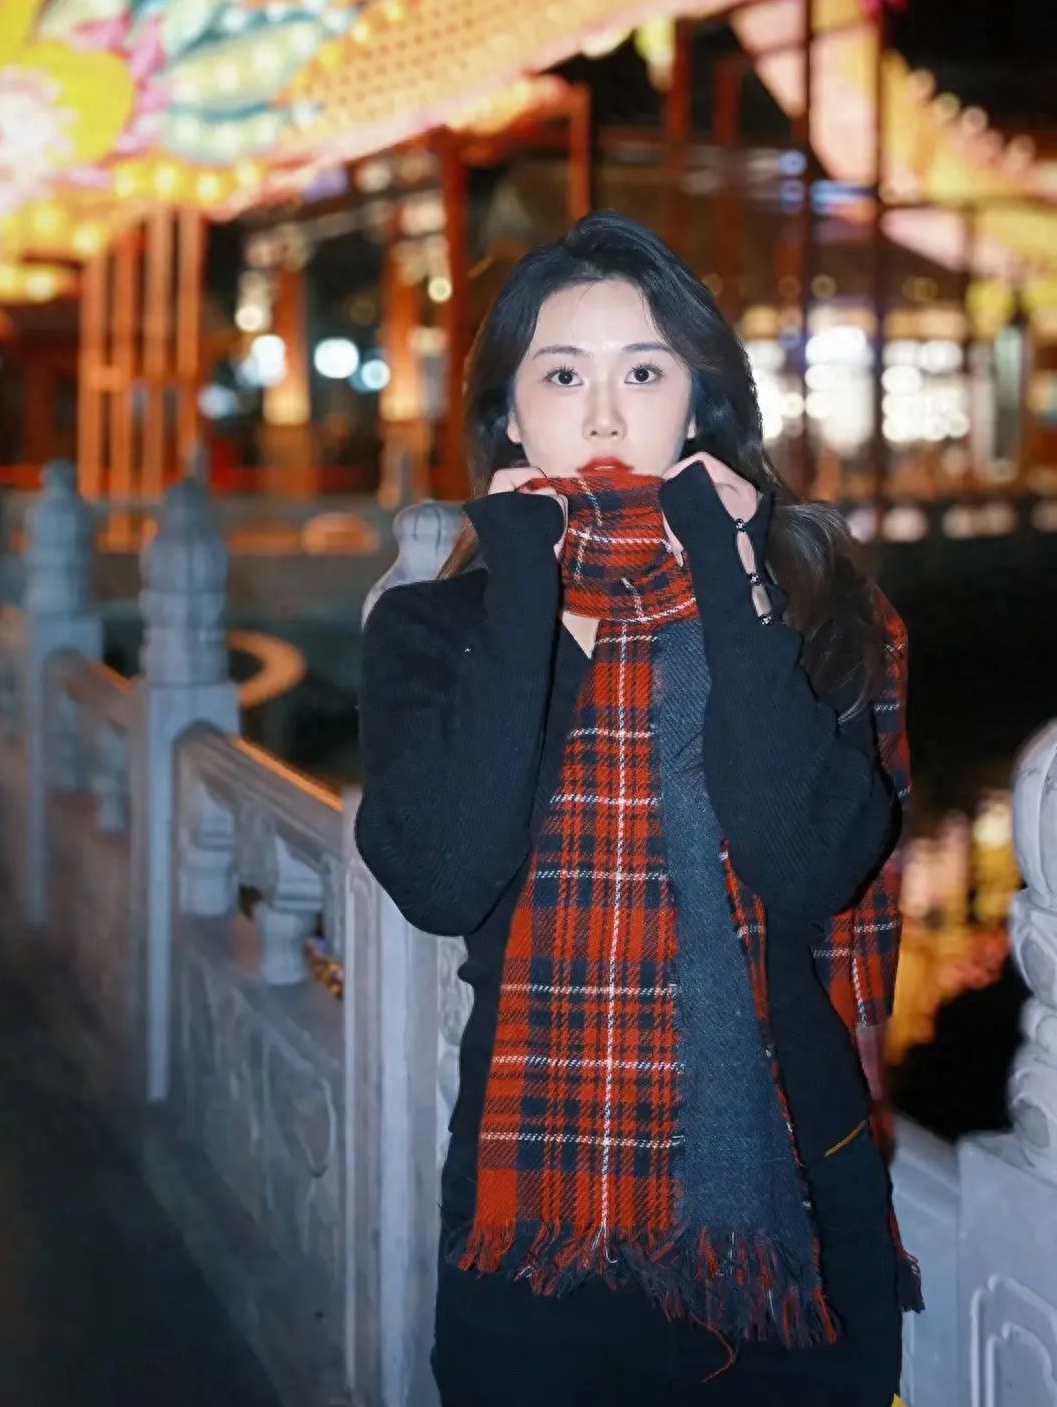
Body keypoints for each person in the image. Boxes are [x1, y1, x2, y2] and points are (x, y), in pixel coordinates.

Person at [356, 213, 920, 1407]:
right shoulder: (434, 630)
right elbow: (442, 878)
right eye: (563, 377)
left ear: (698, 405)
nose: (604, 418)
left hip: (790, 1188)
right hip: (533, 1200)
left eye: (644, 374)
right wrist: (525, 593)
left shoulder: (812, 607)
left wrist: (731, 575)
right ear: (511, 415)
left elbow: (808, 861)